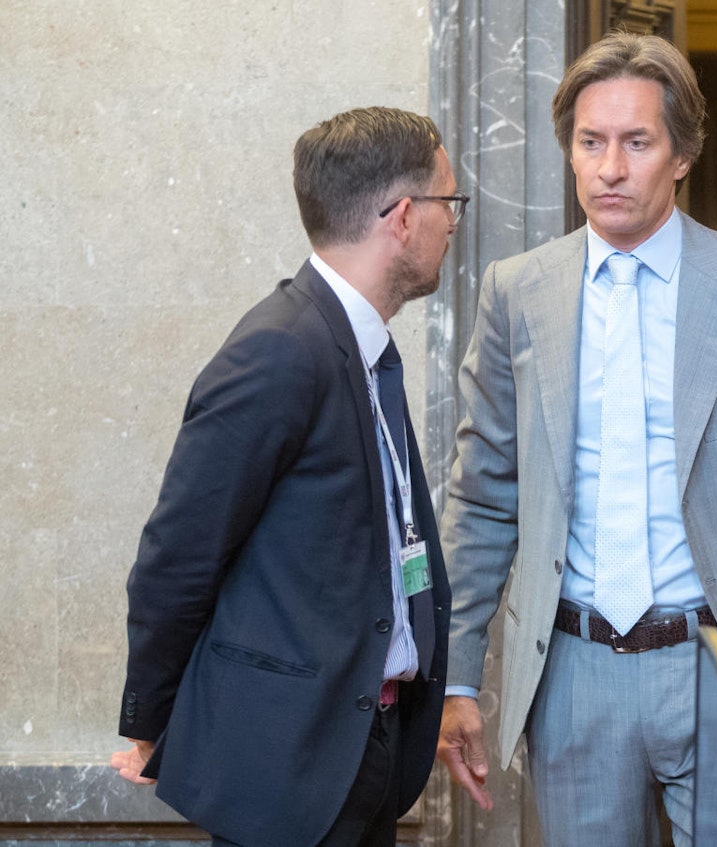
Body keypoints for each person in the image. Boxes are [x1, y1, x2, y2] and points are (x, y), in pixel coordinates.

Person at [436, 33, 717, 846]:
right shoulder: (517, 295)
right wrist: (455, 677)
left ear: (682, 155)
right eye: (590, 142)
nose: (610, 168)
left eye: (637, 142)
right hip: (574, 673)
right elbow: (483, 500)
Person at [110, 107, 461, 847]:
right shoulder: (279, 349)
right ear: (403, 217)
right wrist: (153, 721)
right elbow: (179, 554)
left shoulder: (363, 348)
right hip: (291, 767)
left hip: (363, 744)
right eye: (448, 202)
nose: (453, 223)